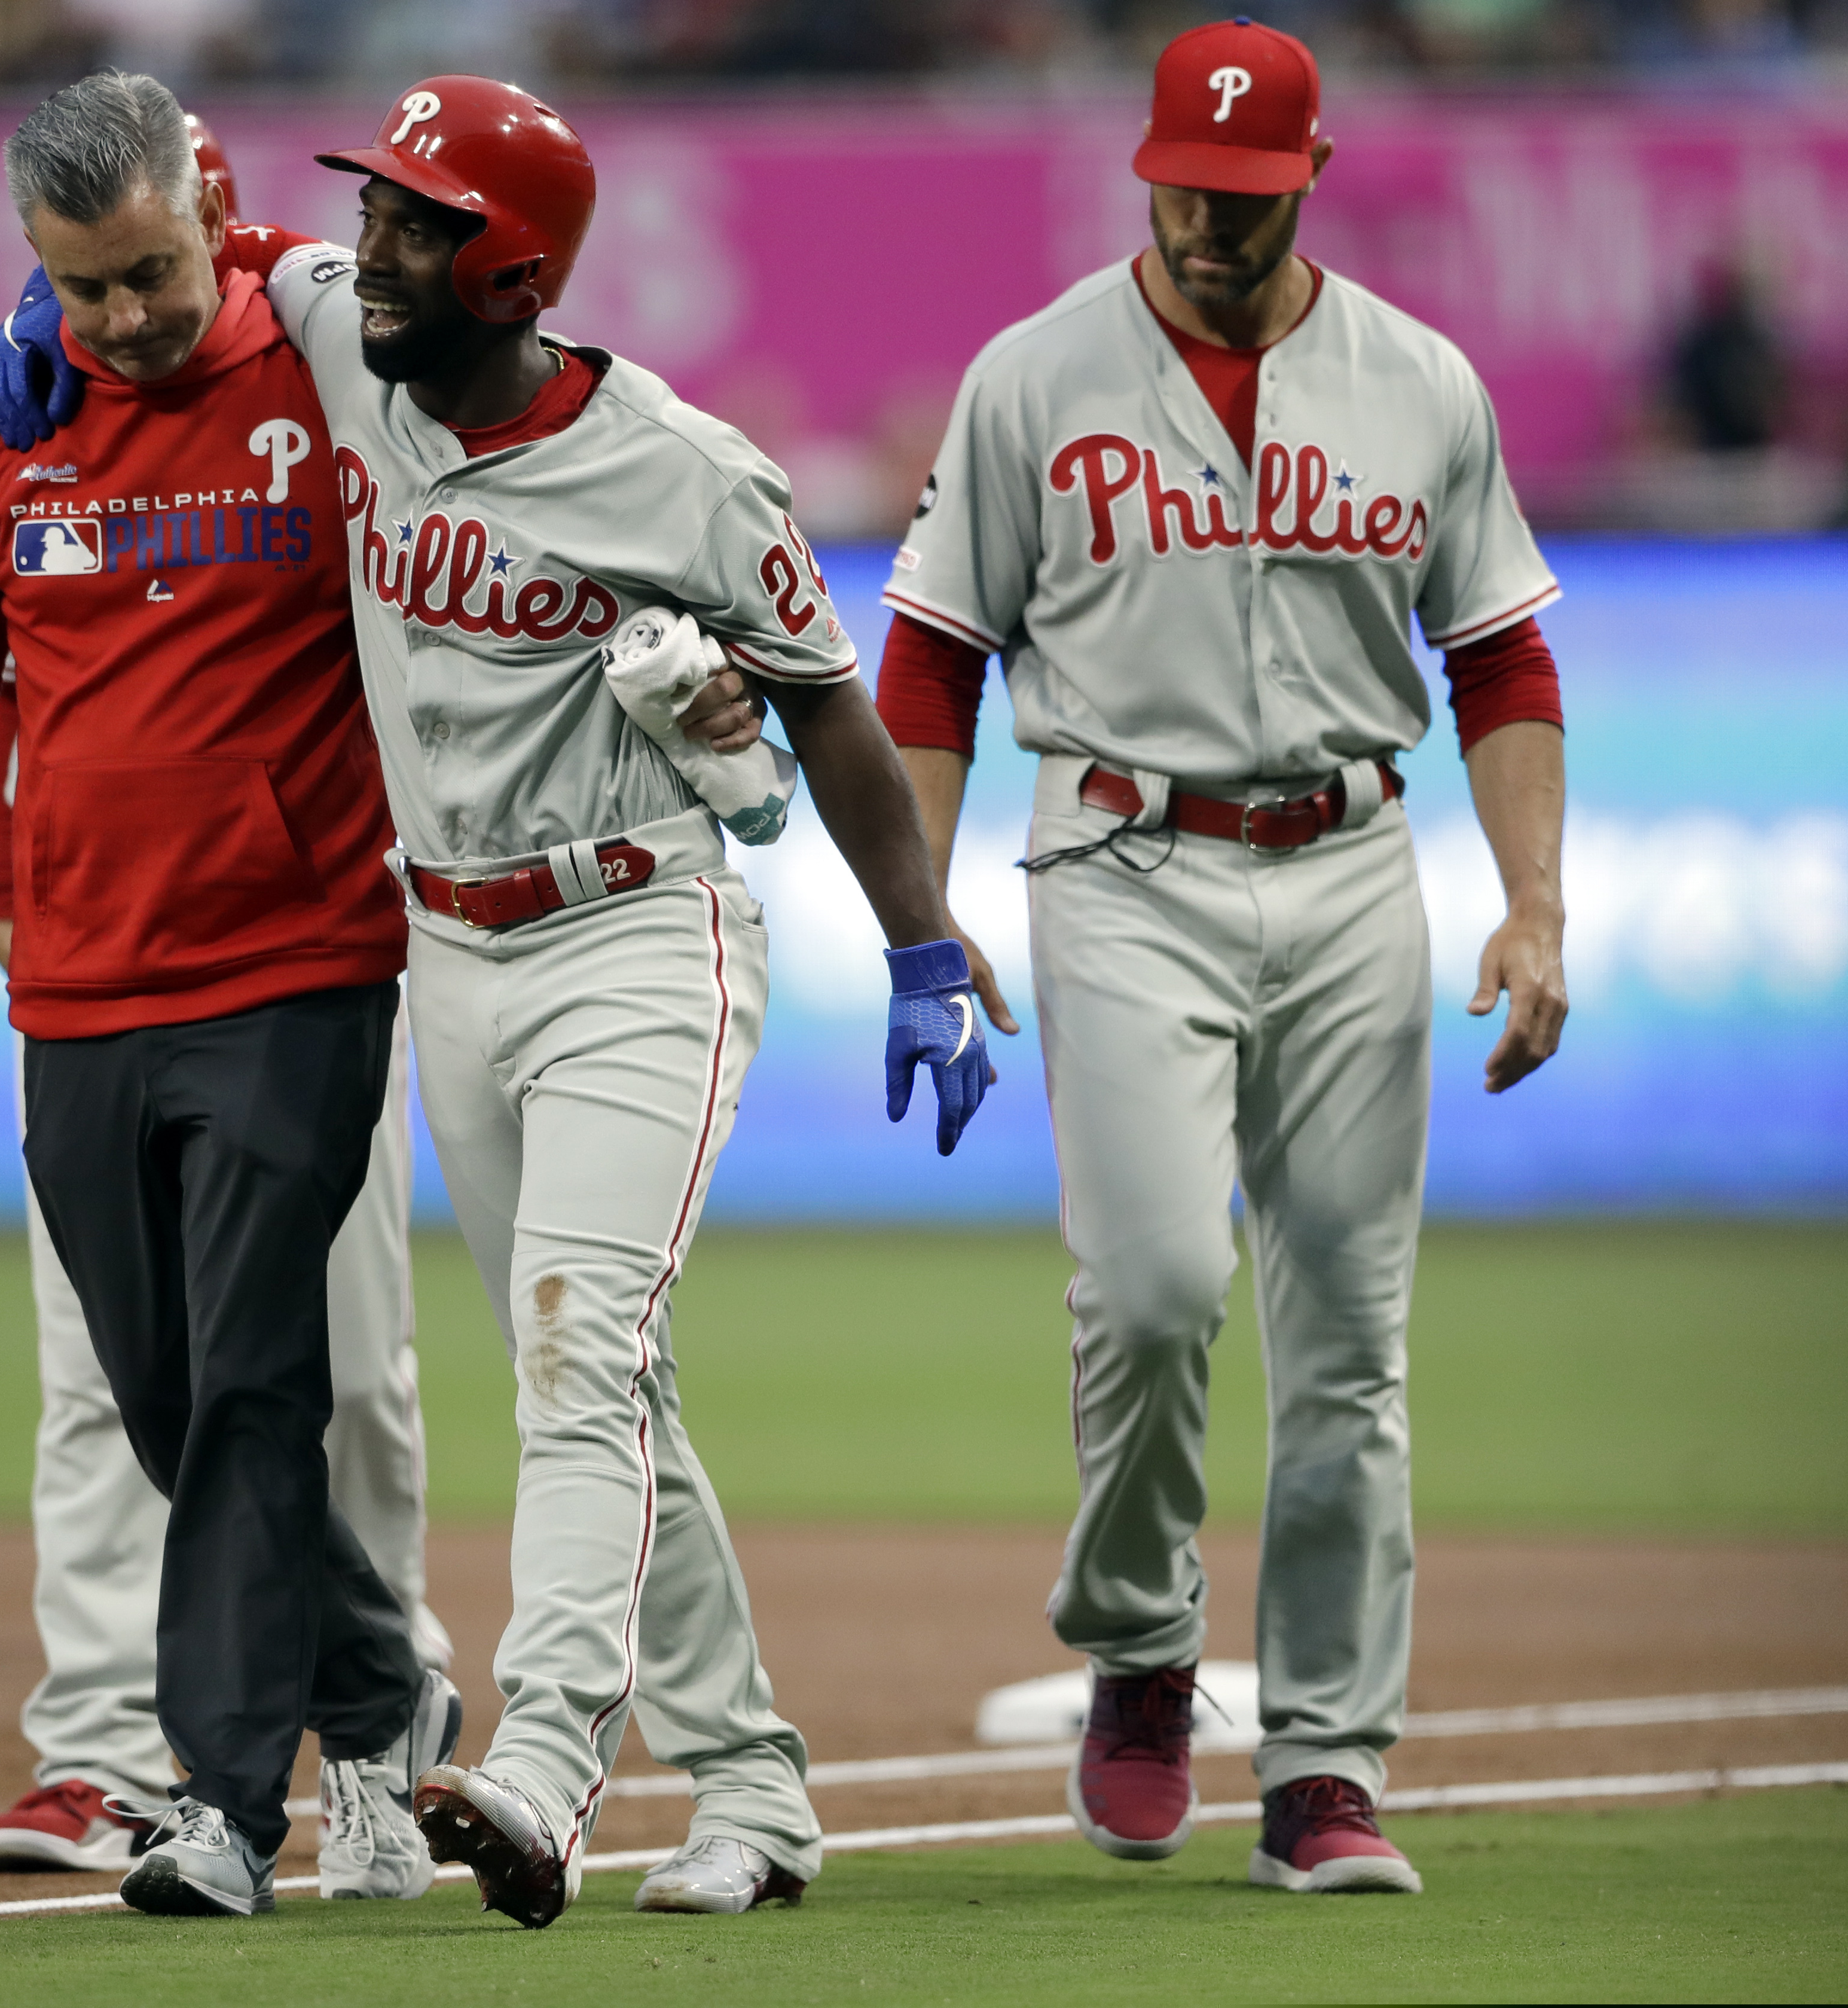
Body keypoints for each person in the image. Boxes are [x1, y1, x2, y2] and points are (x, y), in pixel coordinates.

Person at [0, 72, 1010, 1929]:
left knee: (575, 1340)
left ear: (515, 272)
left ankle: (543, 1762)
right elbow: (202, 217)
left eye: (416, 223)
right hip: (448, 951)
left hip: (634, 934)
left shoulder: (687, 470)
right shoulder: (336, 320)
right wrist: (28, 318)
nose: (371, 244)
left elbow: (827, 706)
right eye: (373, 208)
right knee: (607, 1374)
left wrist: (925, 939)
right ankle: (759, 1781)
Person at [876, 17, 1569, 1896]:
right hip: (1118, 856)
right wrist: (919, 919)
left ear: (1310, 184)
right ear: (1147, 167)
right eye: (1187, 184)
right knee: (1160, 1282)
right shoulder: (1032, 378)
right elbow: (932, 655)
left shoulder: (1418, 382)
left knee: (1350, 1337)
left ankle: (1329, 1763)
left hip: (1350, 865)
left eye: (1251, 196)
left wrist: (1534, 899)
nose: (1212, 221)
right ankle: (1143, 1643)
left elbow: (1500, 653)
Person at [0, 73, 461, 1919]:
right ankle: (378, 1697)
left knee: (299, 1376)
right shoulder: (1, 426)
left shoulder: (333, 368)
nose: (126, 319)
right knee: (156, 1390)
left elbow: (441, 302)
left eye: (156, 273)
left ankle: (250, 1788)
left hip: (302, 955)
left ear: (215, 200)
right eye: (82, 289)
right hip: (80, 979)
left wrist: (252, 263)